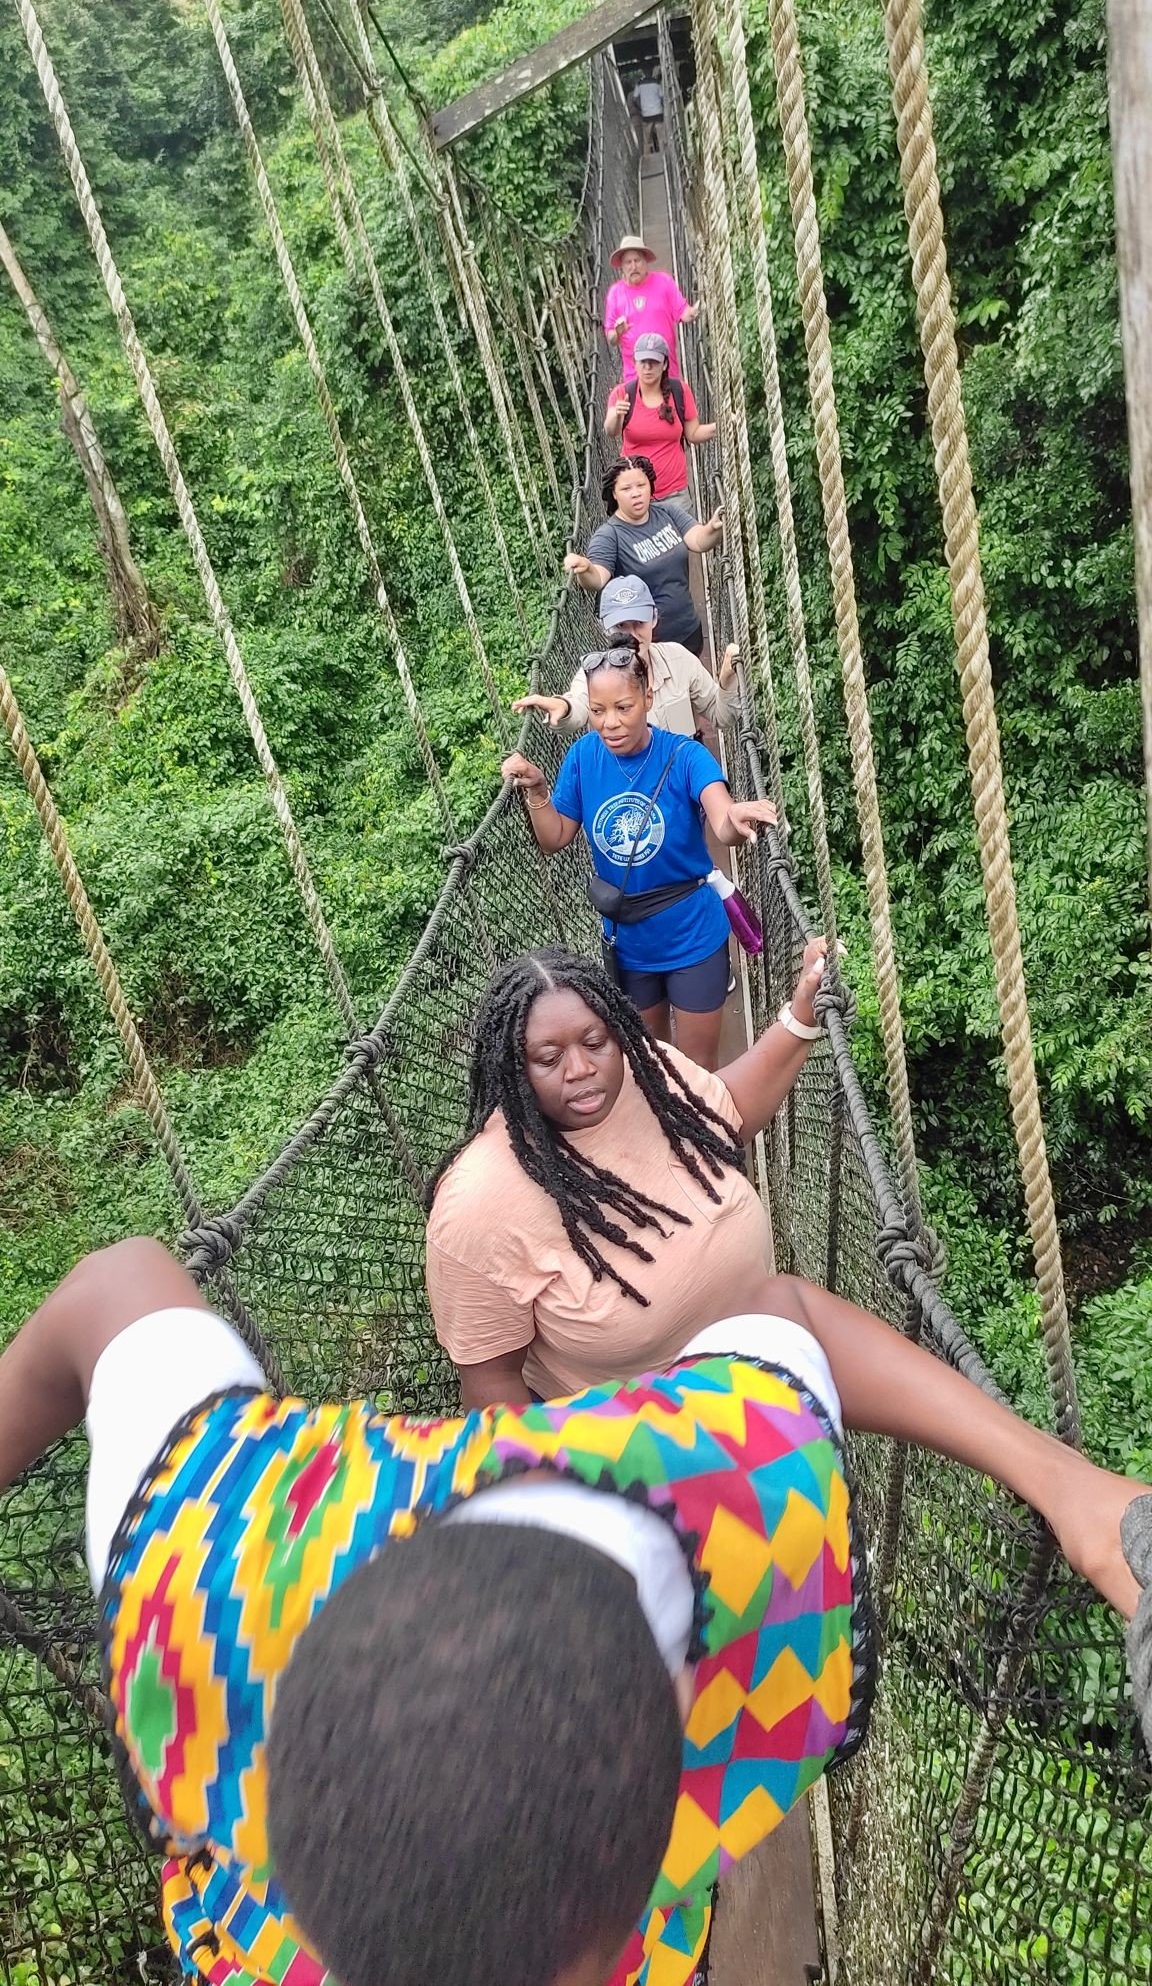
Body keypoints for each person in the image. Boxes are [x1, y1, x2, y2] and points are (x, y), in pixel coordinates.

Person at [1, 1240, 1146, 1986]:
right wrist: (1064, 1483)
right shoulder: (738, 1486)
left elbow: (114, 1287)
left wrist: (1072, 1490)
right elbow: (782, 1321)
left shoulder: (205, 1528)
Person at [426, 942, 827, 1405]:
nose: (581, 1069)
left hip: (764, 1369)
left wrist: (802, 1016)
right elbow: (494, 1385)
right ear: (513, 1068)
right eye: (549, 1058)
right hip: (634, 1445)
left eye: (595, 1043)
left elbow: (726, 1111)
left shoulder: (645, 1071)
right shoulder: (477, 1207)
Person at [501, 645, 768, 1068]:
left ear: (648, 698)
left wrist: (735, 815)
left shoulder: (684, 755)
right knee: (649, 1062)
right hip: (628, 944)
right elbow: (555, 838)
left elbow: (721, 820)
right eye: (598, 710)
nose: (610, 722)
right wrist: (537, 790)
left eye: (623, 707)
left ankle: (705, 1135)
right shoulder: (583, 757)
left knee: (698, 1068)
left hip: (692, 936)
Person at [512, 576, 739, 741]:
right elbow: (578, 706)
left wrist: (727, 680)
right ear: (605, 629)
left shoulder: (679, 660)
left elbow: (721, 716)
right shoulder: (592, 673)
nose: (631, 634)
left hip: (681, 776)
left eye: (639, 622)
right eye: (621, 625)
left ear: (654, 619)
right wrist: (563, 707)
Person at [567, 455, 719, 656]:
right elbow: (597, 579)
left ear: (651, 486)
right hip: (647, 645)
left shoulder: (668, 512)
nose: (636, 493)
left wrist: (715, 527)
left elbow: (699, 541)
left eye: (641, 485)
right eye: (626, 489)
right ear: (614, 494)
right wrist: (585, 568)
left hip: (688, 630)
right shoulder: (609, 535)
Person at [604, 331, 715, 514]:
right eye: (643, 362)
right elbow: (611, 431)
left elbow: (693, 434)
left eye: (654, 362)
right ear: (635, 363)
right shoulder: (622, 394)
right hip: (636, 495)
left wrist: (722, 427)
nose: (647, 368)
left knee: (683, 543)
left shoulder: (680, 391)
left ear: (664, 364)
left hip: (675, 495)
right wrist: (616, 414)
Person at [603, 236, 699, 382]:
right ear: (621, 266)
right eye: (628, 262)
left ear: (646, 262)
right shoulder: (615, 294)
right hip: (635, 379)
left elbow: (683, 311)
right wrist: (617, 332)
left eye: (637, 260)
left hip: (666, 373)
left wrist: (694, 310)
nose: (633, 266)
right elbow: (610, 337)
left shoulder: (664, 282)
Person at [629, 70, 664, 153]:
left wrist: (641, 108)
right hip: (658, 113)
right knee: (662, 138)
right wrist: (661, 107)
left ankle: (647, 157)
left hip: (646, 115)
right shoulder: (657, 83)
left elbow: (634, 99)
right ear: (651, 72)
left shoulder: (639, 84)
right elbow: (662, 97)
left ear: (644, 73)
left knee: (647, 140)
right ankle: (664, 155)